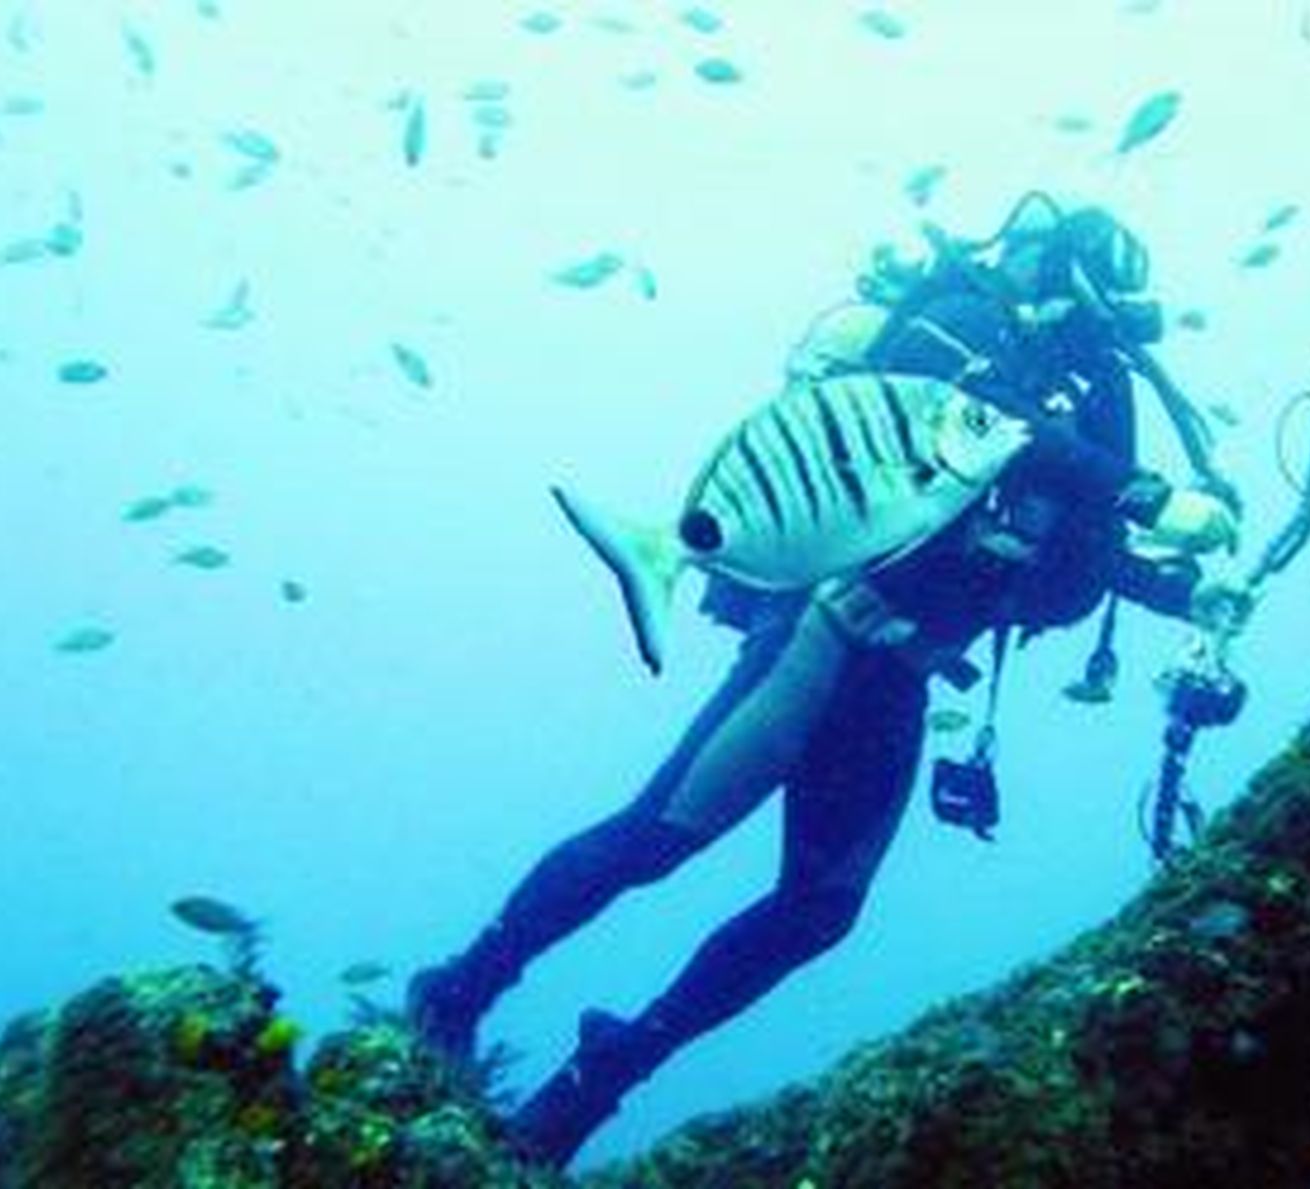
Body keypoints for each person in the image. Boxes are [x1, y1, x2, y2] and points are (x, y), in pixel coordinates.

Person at [406, 192, 1242, 1168]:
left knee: (819, 911)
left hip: (902, 676)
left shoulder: (1077, 399)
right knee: (656, 839)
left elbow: (1067, 561)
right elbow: (974, 419)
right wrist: (1138, 489)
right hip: (825, 632)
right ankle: (458, 987)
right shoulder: (959, 322)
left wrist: (1184, 592)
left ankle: (604, 1072)